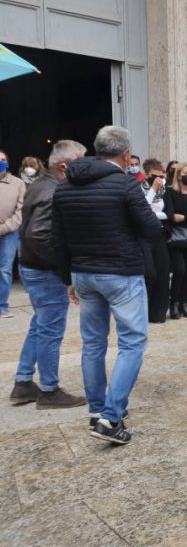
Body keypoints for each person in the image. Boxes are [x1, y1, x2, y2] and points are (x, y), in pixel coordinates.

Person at [52, 126, 162, 444]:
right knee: (132, 343)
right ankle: (111, 418)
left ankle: (97, 410)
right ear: (126, 154)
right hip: (121, 272)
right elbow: (152, 229)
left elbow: (58, 239)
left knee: (93, 344)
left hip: (84, 273)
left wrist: (67, 278)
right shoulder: (125, 184)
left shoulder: (65, 186)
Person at [9, 140, 88, 409]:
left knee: (40, 326)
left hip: (34, 268)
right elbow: (38, 235)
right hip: (44, 272)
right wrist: (64, 269)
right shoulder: (52, 190)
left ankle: (23, 382)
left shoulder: (42, 184)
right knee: (50, 331)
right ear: (64, 167)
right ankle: (49, 390)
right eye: (81, 161)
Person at [164, 162, 187, 321]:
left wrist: (184, 217)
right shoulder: (170, 192)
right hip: (175, 238)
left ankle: (184, 304)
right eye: (185, 173)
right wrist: (185, 218)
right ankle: (174, 303)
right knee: (179, 270)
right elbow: (171, 215)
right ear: (178, 175)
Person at [141, 159, 171, 323]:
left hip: (160, 234)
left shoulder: (166, 192)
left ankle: (158, 313)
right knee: (149, 273)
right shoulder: (139, 189)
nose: (159, 179)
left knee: (162, 273)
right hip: (144, 236)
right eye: (154, 176)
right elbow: (142, 208)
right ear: (146, 175)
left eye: (161, 176)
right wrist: (153, 189)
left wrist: (153, 215)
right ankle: (143, 311)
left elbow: (170, 213)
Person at [0, 149, 25, 318]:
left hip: (9, 233)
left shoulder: (18, 183)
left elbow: (21, 211)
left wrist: (4, 228)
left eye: (2, 160)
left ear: (7, 163)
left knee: (4, 269)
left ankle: (2, 305)